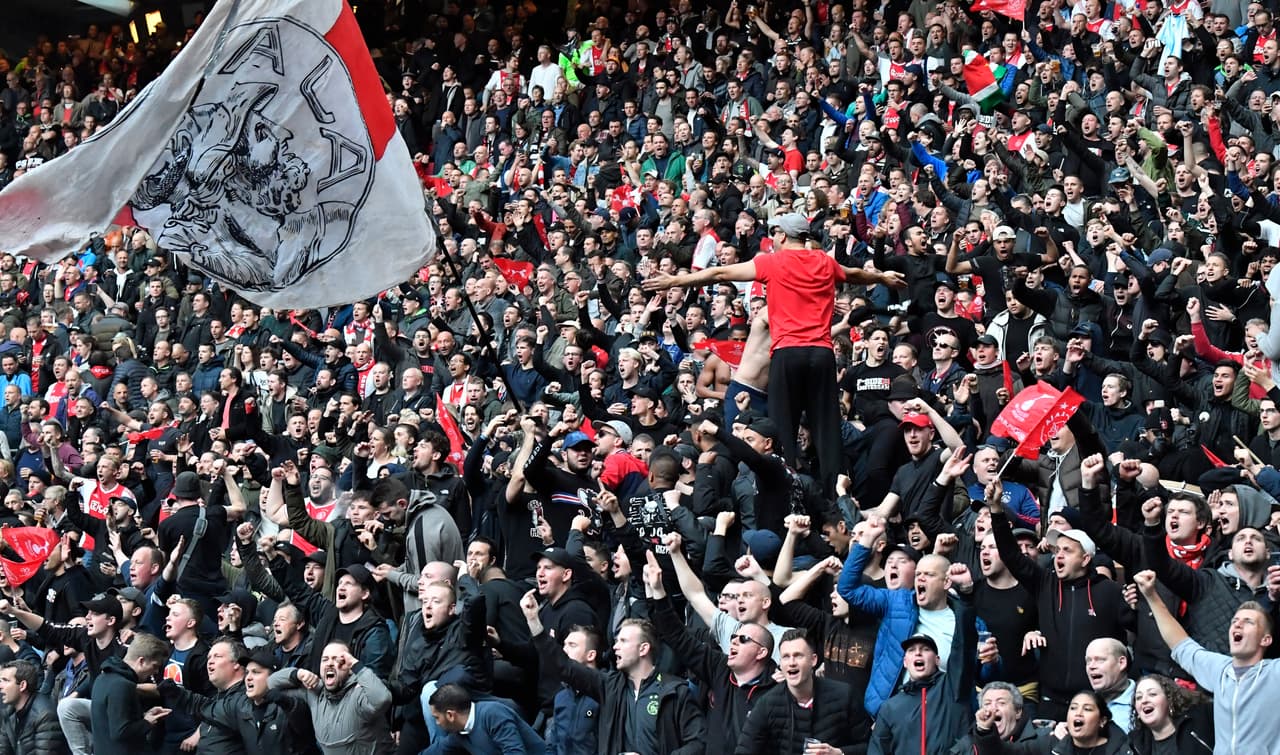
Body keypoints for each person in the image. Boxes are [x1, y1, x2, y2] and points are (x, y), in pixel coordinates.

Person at [644, 212, 906, 493]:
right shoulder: (824, 261)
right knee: (827, 431)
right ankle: (834, 497)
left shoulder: (772, 262)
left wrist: (675, 281)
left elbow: (720, 272)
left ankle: (785, 495)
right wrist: (882, 278)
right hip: (821, 354)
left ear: (781, 235)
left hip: (788, 354)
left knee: (782, 430)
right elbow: (855, 274)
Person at [523, 590, 707, 755]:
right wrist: (534, 622)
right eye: (616, 640)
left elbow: (699, 743)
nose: (615, 647)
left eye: (624, 641)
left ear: (643, 649)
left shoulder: (675, 692)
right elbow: (564, 666)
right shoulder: (609, 686)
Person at [1134, 568, 1280, 751]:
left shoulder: (1275, 673)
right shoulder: (1219, 670)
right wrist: (1151, 596)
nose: (1238, 624)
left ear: (1265, 639)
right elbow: (1180, 643)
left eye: (1249, 622)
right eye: (1235, 621)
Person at [733, 628, 870, 754]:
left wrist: (838, 753)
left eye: (798, 655)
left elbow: (870, 746)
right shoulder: (767, 704)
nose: (791, 662)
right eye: (786, 657)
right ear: (780, 663)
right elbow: (744, 750)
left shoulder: (845, 695)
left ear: (813, 660)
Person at [269, 640, 395, 755]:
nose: (329, 663)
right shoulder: (315, 692)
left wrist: (356, 666)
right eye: (325, 659)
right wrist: (298, 673)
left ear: (349, 668)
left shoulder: (359, 692)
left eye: (337, 660)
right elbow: (271, 683)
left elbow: (383, 699)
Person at [972, 690, 1129, 755]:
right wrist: (985, 730)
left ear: (1102, 721)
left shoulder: (1120, 749)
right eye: (1073, 708)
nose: (1078, 713)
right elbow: (1006, 753)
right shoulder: (1052, 742)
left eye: (1087, 709)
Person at [90, 632, 172, 755]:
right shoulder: (122, 686)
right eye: (155, 666)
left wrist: (144, 716)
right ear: (141, 661)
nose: (156, 671)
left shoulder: (103, 678)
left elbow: (114, 720)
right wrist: (147, 722)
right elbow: (120, 732)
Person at [425, 683, 548, 754]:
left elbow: (515, 752)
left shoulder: (493, 714)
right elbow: (437, 750)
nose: (437, 723)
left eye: (437, 717)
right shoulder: (460, 733)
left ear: (450, 715)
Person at [0, 658, 68, 755]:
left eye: (5, 681)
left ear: (22, 685)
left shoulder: (45, 715)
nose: (0, 686)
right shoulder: (9, 712)